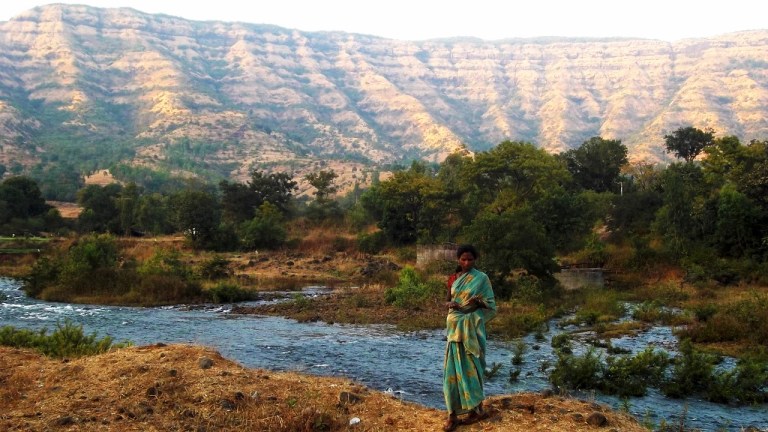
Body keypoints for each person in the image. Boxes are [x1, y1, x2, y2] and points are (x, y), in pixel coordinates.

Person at [442, 244, 496, 431]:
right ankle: (452, 415)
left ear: (475, 260)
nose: (466, 263)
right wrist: (451, 304)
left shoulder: (481, 279)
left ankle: (476, 410)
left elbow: (491, 305)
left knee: (473, 367)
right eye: (463, 259)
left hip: (471, 330)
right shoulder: (453, 279)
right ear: (458, 259)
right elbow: (446, 301)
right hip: (454, 329)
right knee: (451, 372)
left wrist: (479, 302)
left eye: (470, 259)